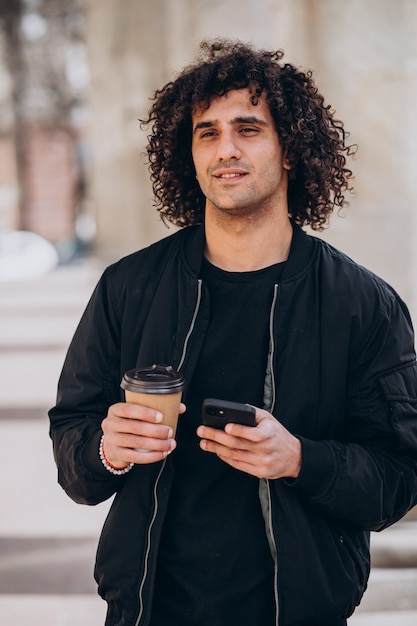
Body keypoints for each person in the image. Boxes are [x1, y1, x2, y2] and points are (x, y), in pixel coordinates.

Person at [49, 39, 417, 626]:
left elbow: (398, 478)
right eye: (207, 132)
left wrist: (300, 459)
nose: (226, 150)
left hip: (297, 612)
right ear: (188, 154)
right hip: (147, 610)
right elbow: (72, 443)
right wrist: (105, 449)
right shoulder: (129, 286)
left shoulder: (362, 305)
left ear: (290, 149)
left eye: (248, 129)